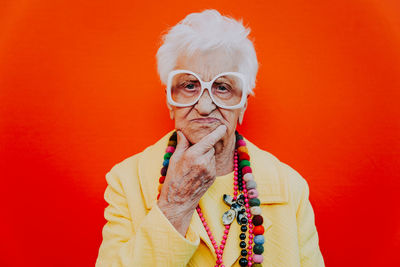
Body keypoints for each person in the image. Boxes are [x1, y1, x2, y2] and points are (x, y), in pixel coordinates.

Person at [95, 9, 324, 267]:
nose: (204, 106)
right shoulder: (126, 182)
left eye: (222, 87)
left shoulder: (291, 189)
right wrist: (175, 205)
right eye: (189, 86)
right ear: (170, 102)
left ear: (243, 106)